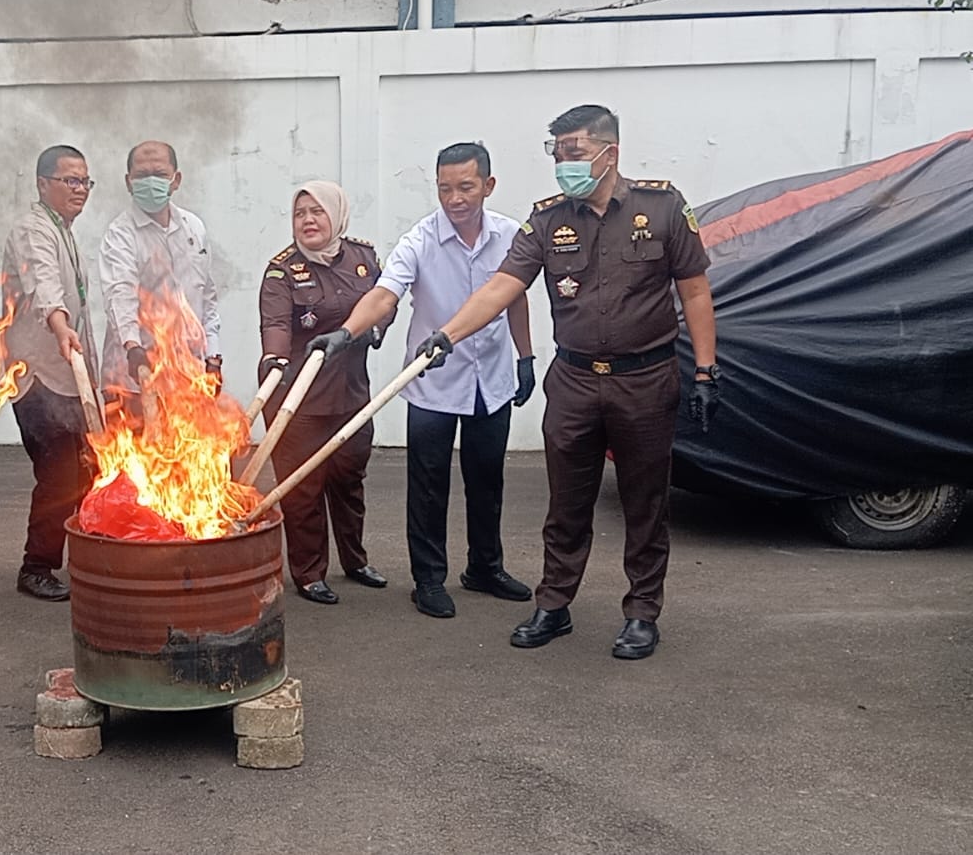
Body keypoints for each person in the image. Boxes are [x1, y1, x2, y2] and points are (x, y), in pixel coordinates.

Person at [413, 105, 719, 660]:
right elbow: (502, 286)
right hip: (575, 381)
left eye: (573, 152)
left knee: (645, 502)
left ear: (610, 153)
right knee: (567, 502)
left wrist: (705, 369)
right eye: (557, 153)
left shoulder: (663, 207)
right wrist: (447, 335)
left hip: (645, 380)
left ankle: (642, 613)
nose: (563, 164)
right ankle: (554, 603)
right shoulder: (548, 220)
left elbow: (694, 290)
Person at [313, 142, 537, 620]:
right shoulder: (420, 240)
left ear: (488, 186)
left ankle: (485, 567)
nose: (455, 199)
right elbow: (385, 295)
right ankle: (428, 579)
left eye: (466, 187)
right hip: (432, 380)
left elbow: (514, 297)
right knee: (429, 486)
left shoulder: (510, 235)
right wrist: (347, 332)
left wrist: (525, 356)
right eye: (444, 188)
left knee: (487, 480)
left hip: (491, 379)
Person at [257, 181, 394, 605]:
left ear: (336, 215)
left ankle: (355, 561)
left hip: (351, 395)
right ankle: (309, 572)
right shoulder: (282, 270)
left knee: (349, 480)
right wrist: (275, 359)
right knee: (303, 491)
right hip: (299, 401)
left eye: (317, 211)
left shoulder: (363, 257)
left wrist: (374, 330)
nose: (308, 220)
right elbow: (275, 323)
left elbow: (385, 300)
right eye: (300, 213)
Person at [2, 145, 101, 601]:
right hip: (38, 375)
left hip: (68, 375)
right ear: (43, 184)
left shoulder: (64, 231)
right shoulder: (33, 229)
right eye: (70, 180)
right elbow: (46, 288)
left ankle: (83, 559)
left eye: (85, 182)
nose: (80, 189)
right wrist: (61, 329)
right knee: (59, 474)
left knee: (85, 472)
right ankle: (36, 567)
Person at [99, 141, 222, 398]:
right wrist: (133, 347)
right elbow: (120, 295)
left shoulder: (194, 227)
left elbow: (206, 296)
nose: (150, 181)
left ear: (176, 180)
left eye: (159, 174)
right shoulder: (120, 234)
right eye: (142, 175)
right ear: (128, 182)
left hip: (188, 377)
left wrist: (213, 356)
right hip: (132, 381)